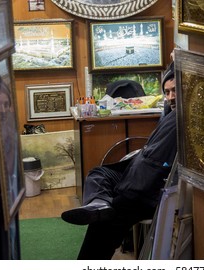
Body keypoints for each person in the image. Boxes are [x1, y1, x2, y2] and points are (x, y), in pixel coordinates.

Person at [61, 61, 177, 259]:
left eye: (175, 91)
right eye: (166, 93)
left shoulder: (179, 119)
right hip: (136, 176)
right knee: (99, 173)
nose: (170, 97)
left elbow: (153, 168)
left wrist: (122, 192)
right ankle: (99, 203)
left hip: (143, 191)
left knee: (103, 225)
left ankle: (102, 207)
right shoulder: (171, 113)